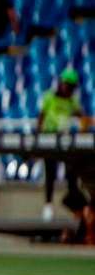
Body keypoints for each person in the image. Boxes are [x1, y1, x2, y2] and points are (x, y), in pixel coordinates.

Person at [38, 67, 88, 222]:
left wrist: (82, 130)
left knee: (71, 175)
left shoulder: (72, 101)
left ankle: (76, 206)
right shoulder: (49, 97)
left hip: (65, 140)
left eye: (72, 87)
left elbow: (82, 117)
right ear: (61, 83)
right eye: (68, 85)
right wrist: (39, 136)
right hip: (49, 137)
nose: (69, 89)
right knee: (50, 172)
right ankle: (48, 205)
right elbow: (41, 118)